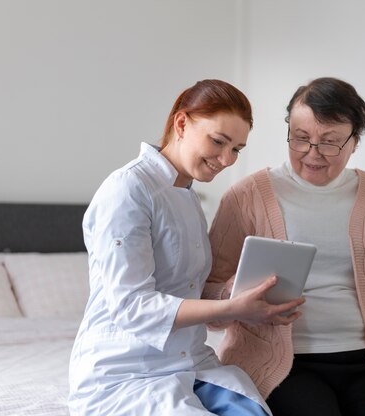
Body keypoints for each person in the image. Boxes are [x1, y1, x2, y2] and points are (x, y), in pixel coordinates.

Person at [68, 79, 305, 416]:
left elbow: (186, 292)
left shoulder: (189, 196)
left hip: (190, 362)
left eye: (237, 148)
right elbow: (133, 306)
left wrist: (237, 297)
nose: (226, 159)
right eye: (218, 141)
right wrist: (233, 309)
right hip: (126, 371)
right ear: (181, 124)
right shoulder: (127, 190)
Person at [204, 77, 365, 416]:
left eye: (330, 142)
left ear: (355, 142)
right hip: (282, 366)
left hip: (363, 361)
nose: (312, 154)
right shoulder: (247, 195)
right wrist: (233, 294)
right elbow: (206, 296)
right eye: (301, 138)